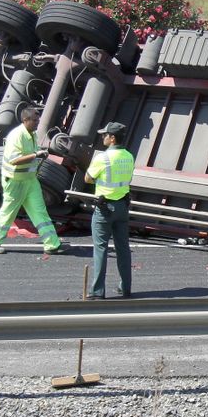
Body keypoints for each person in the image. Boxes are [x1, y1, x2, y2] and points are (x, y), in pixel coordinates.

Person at [0, 106, 66, 255]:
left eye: (38, 120)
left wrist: (39, 155)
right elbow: (14, 160)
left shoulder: (32, 134)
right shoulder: (17, 135)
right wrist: (36, 155)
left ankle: (52, 244)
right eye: (35, 120)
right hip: (15, 181)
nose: (37, 123)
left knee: (40, 211)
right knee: (8, 212)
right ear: (25, 120)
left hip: (30, 181)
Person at [87, 121, 135, 298]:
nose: (103, 137)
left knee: (100, 249)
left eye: (105, 135)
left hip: (104, 208)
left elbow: (88, 178)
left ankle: (97, 291)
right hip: (122, 207)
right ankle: (126, 287)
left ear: (112, 138)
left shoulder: (102, 158)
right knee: (123, 248)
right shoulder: (129, 156)